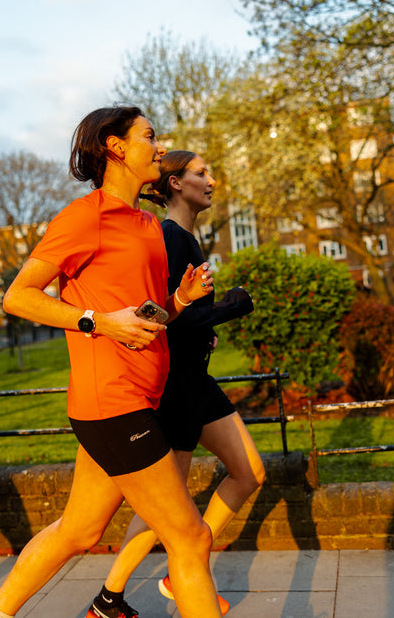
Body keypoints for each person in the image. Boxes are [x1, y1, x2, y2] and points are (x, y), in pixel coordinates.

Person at [0, 107, 224, 618]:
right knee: (190, 536)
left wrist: (180, 301)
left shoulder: (146, 222)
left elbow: (146, 313)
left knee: (79, 530)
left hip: (139, 397)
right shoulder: (84, 216)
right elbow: (19, 297)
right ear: (116, 147)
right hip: (113, 403)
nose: (160, 147)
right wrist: (97, 321)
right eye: (149, 136)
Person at [85, 151, 264, 618]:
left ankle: (165, 574)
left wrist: (210, 322)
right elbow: (164, 315)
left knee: (250, 473)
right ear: (175, 183)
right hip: (176, 387)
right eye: (201, 173)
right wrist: (231, 305)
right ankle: (113, 597)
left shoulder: (185, 237)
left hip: (196, 379)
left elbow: (189, 317)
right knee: (164, 507)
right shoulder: (168, 237)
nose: (211, 180)